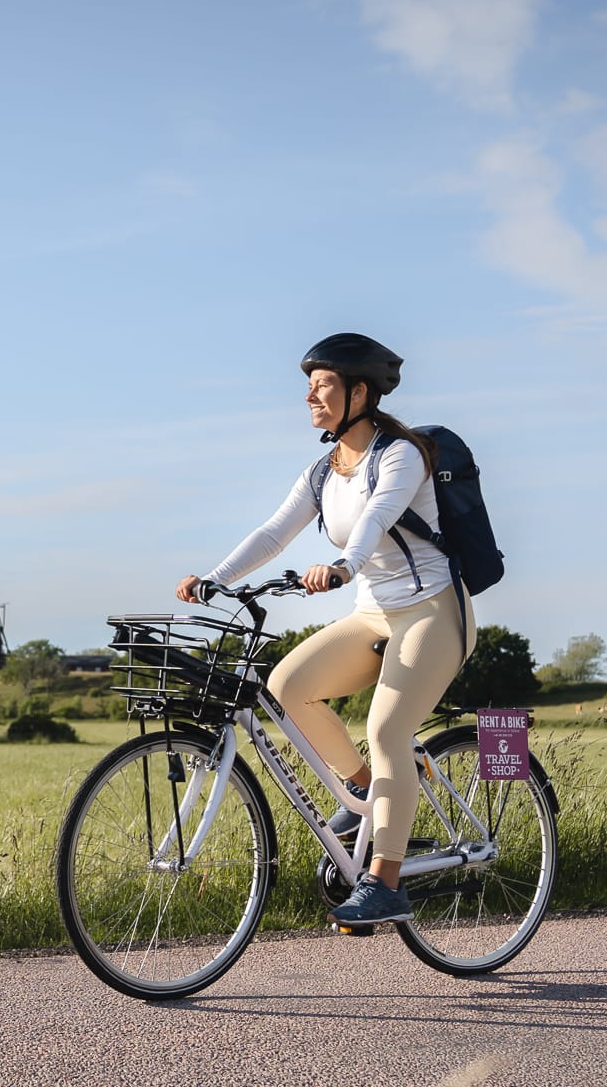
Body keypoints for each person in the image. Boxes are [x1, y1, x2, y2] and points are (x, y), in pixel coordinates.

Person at [176, 333, 471, 930]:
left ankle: (385, 882)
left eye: (323, 384)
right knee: (287, 687)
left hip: (432, 611)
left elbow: (375, 519)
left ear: (359, 392)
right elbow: (274, 532)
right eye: (308, 385)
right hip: (373, 612)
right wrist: (213, 578)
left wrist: (342, 565)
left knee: (387, 728)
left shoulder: (400, 454)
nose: (310, 394)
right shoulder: (323, 469)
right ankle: (367, 799)